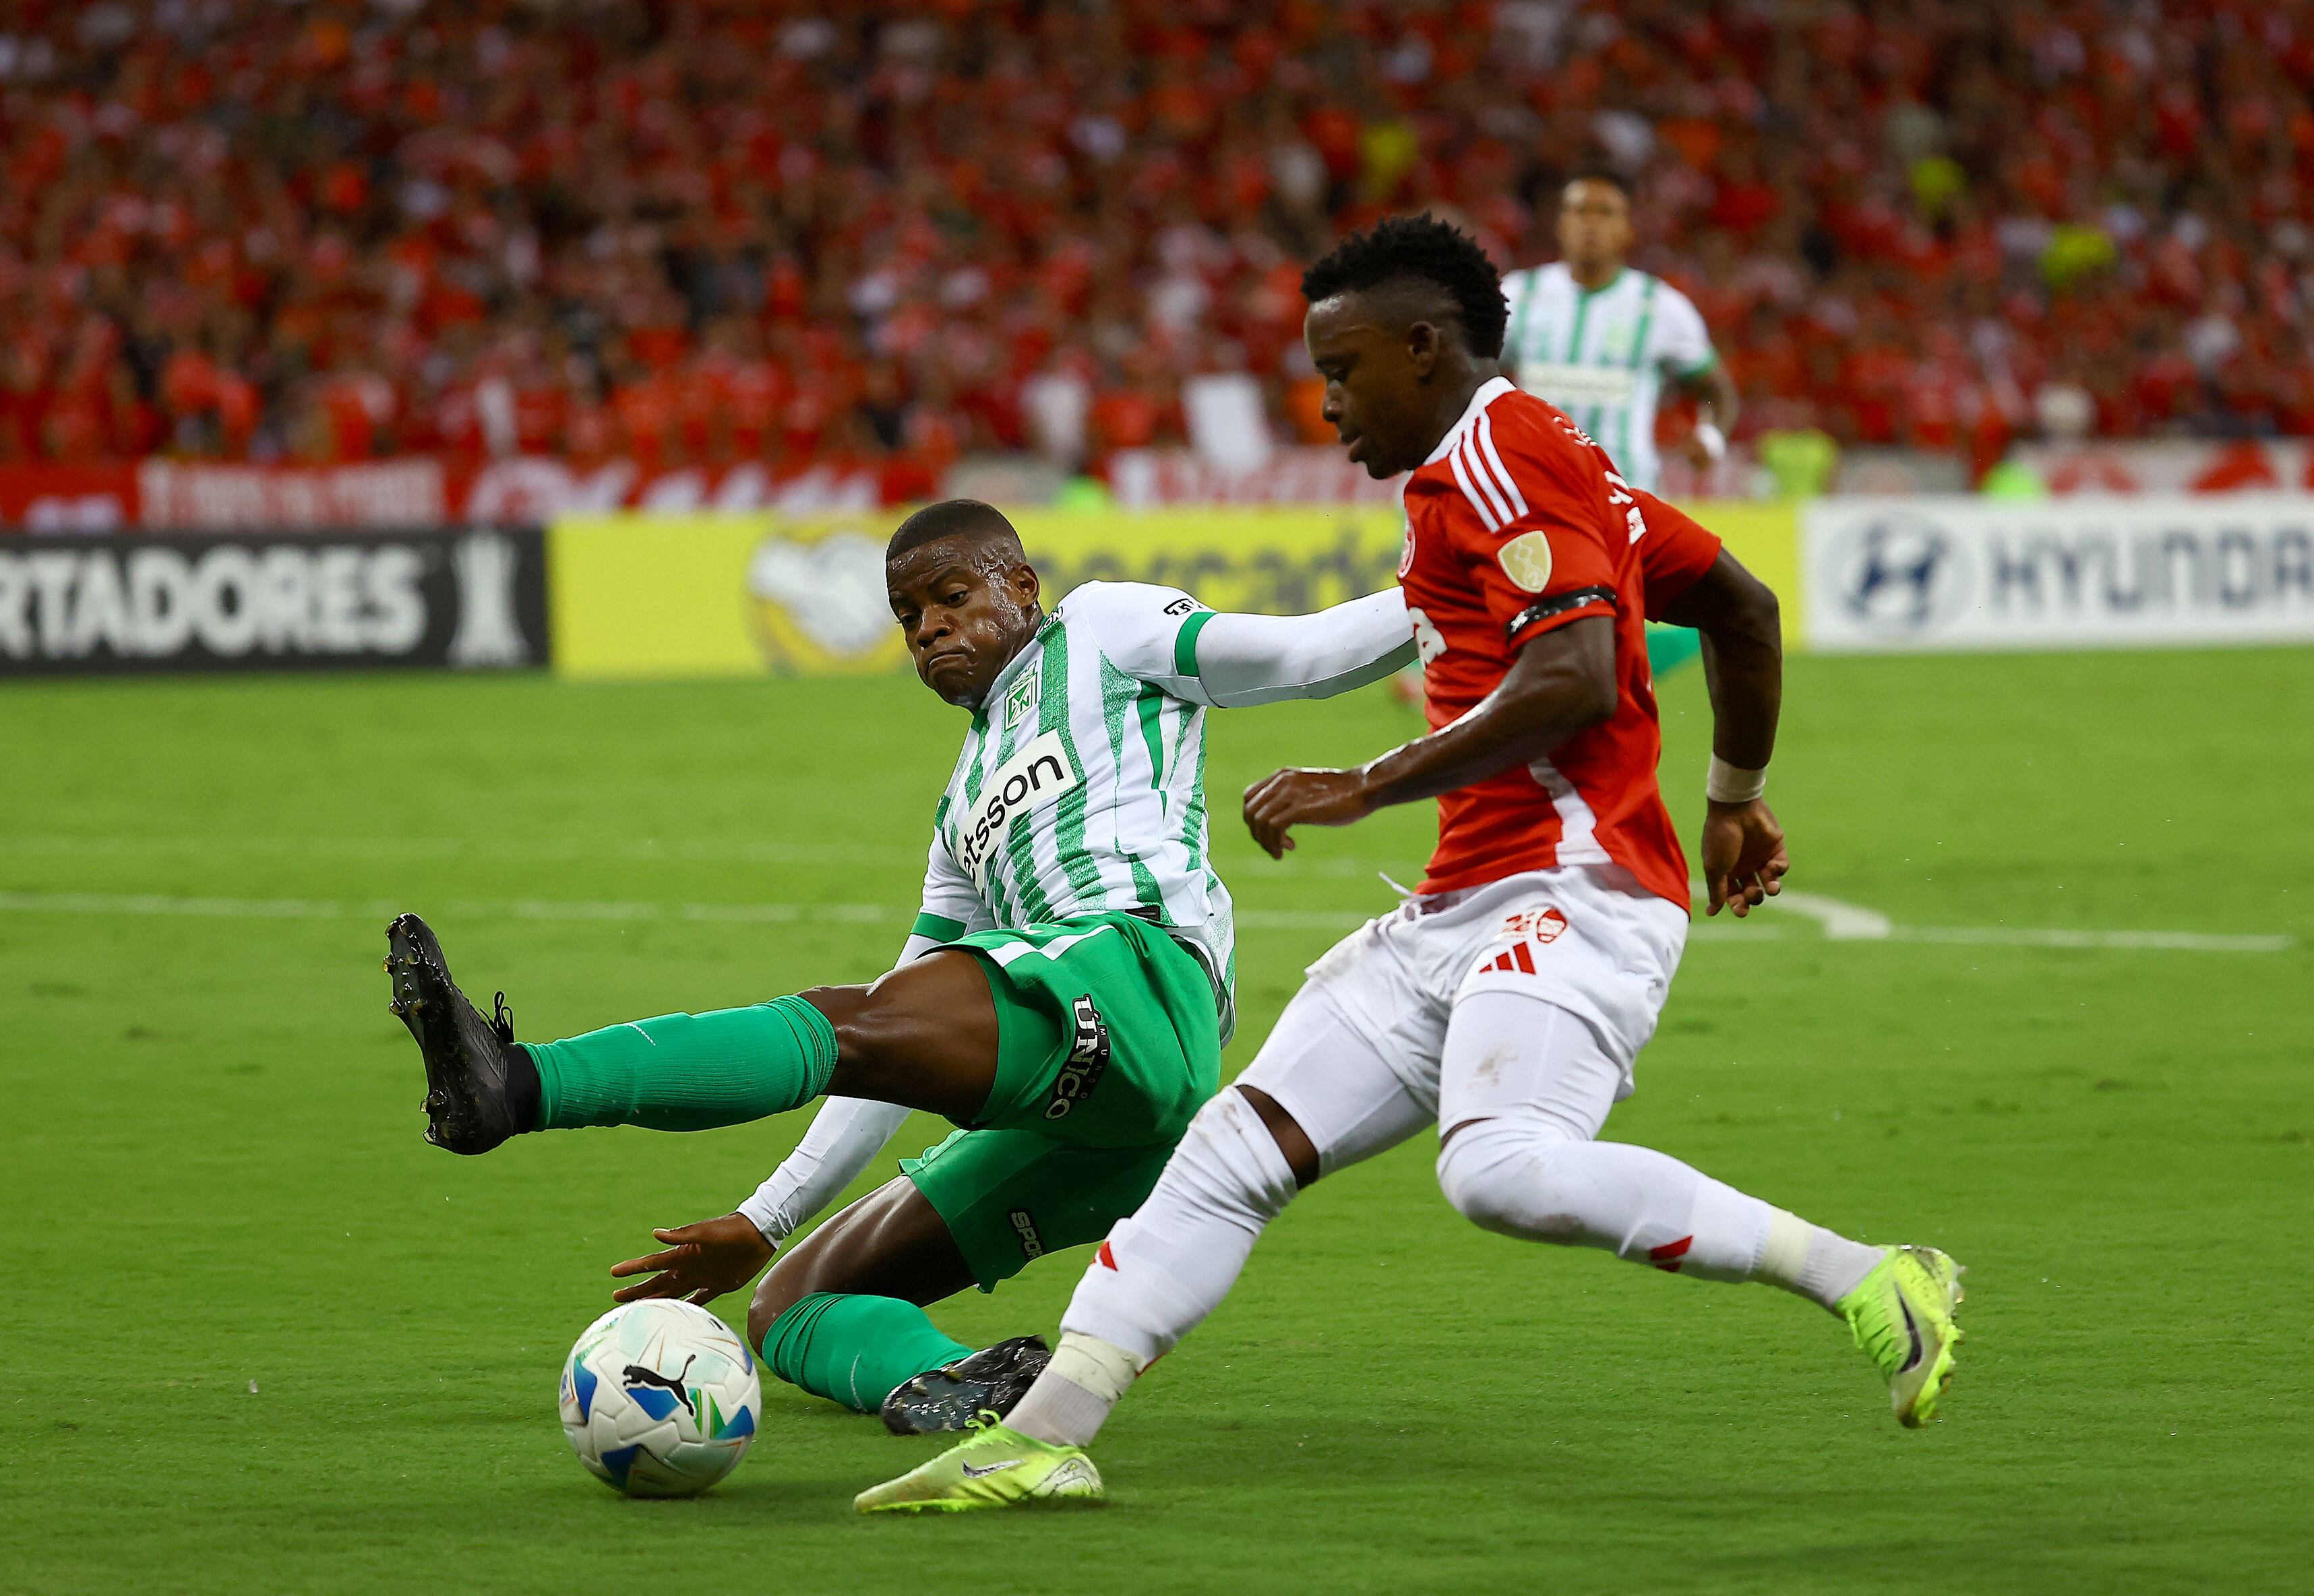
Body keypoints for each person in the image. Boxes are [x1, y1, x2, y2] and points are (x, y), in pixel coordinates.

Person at [858, 217, 1963, 1514]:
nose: (1326, 404)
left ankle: (1868, 1273)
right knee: (1233, 1148)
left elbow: (1578, 672)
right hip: (1461, 907)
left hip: (1573, 892)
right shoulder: (1539, 469)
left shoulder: (1502, 448)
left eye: (1344, 367)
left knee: (1496, 1165)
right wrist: (1737, 797)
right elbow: (1740, 605)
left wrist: (1364, 781)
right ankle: (1044, 1436)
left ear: (1425, 350)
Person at [384, 499, 1416, 1438]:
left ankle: (521, 1088)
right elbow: (883, 1052)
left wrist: (1468, 594)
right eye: (906, 614)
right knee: (793, 1305)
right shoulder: (964, 810)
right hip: (1107, 1121)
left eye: (951, 597)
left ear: (1022, 588)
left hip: (1139, 983)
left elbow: (1308, 652)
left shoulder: (1104, 629)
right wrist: (765, 1219)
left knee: (848, 1023)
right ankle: (952, 1384)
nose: (927, 627)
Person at [1501, 168, 1740, 490]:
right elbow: (1474, 376)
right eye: (1581, 211)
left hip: (1626, 495)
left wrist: (1710, 435)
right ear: (1561, 226)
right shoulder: (1518, 295)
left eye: (1606, 213)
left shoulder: (1660, 307)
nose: (1592, 224)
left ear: (1627, 230)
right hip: (1532, 491)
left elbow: (1716, 390)